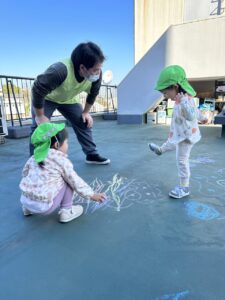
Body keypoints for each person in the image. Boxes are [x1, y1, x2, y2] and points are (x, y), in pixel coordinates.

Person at [30, 42, 110, 165]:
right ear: (82, 68)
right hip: (46, 98)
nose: (98, 73)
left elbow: (92, 94)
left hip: (68, 99)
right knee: (40, 128)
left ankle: (91, 154)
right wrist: (40, 116)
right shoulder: (59, 70)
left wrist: (86, 112)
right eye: (95, 70)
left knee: (84, 122)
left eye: (99, 69)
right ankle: (36, 162)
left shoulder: (97, 75)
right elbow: (37, 89)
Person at [20, 122, 106, 223]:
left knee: (33, 177)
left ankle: (28, 209)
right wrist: (91, 195)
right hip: (44, 207)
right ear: (57, 145)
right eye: (66, 142)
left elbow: (25, 174)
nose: (67, 145)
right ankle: (67, 211)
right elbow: (75, 181)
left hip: (25, 201)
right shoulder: (60, 160)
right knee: (68, 181)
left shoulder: (33, 158)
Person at [148, 65, 207, 199]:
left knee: (181, 160)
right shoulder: (180, 99)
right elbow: (197, 112)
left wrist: (185, 103)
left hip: (186, 137)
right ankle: (160, 150)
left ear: (175, 86)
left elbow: (192, 115)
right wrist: (203, 118)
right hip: (179, 133)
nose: (165, 96)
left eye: (165, 93)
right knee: (171, 143)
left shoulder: (185, 99)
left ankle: (184, 187)